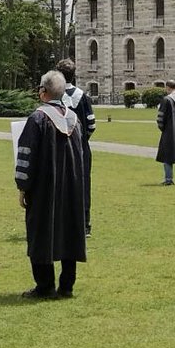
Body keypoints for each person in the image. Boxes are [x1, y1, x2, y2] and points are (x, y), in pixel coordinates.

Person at [14, 70, 87, 298]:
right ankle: (66, 286)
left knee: (41, 231)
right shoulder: (74, 120)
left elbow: (26, 156)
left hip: (44, 190)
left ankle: (45, 286)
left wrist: (23, 186)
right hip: (72, 189)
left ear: (43, 93)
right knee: (70, 231)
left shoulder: (37, 119)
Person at [57, 59, 96, 235]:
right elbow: (91, 125)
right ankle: (84, 224)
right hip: (81, 149)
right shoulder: (83, 97)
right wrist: (81, 140)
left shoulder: (55, 96)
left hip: (59, 148)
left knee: (60, 185)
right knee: (83, 185)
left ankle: (61, 223)